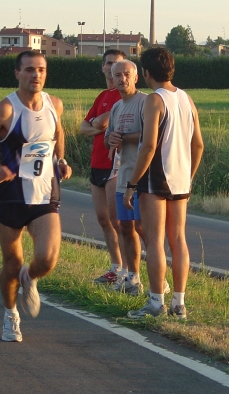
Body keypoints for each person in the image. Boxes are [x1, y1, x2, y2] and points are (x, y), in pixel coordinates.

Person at [0, 50, 72, 342]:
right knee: (11, 264)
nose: (35, 75)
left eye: (40, 69)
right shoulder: (5, 109)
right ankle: (10, 314)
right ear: (17, 73)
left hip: (45, 196)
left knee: (47, 260)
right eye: (29, 70)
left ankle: (31, 276)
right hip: (11, 196)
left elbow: (58, 134)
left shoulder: (55, 105)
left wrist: (61, 161)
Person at [123, 47, 204, 319]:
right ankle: (179, 304)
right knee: (178, 240)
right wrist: (189, 176)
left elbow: (148, 147)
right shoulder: (186, 99)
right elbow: (199, 145)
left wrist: (132, 183)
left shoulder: (154, 100)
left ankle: (156, 302)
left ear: (146, 73)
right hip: (181, 179)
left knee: (155, 241)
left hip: (156, 178)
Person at [80, 49, 126, 284]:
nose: (111, 68)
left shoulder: (124, 96)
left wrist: (100, 124)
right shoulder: (102, 96)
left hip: (115, 165)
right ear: (102, 67)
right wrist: (102, 127)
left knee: (118, 221)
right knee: (103, 219)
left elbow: (101, 122)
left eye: (117, 64)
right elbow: (84, 127)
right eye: (108, 64)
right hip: (97, 162)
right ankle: (115, 266)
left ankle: (129, 271)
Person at [103, 59, 146, 295]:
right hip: (122, 176)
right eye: (117, 75)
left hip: (142, 177)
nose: (122, 79)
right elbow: (108, 136)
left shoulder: (145, 102)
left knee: (143, 228)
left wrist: (124, 137)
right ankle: (132, 277)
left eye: (126, 74)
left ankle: (160, 280)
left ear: (136, 77)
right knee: (126, 228)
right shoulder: (117, 107)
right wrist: (111, 139)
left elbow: (151, 136)